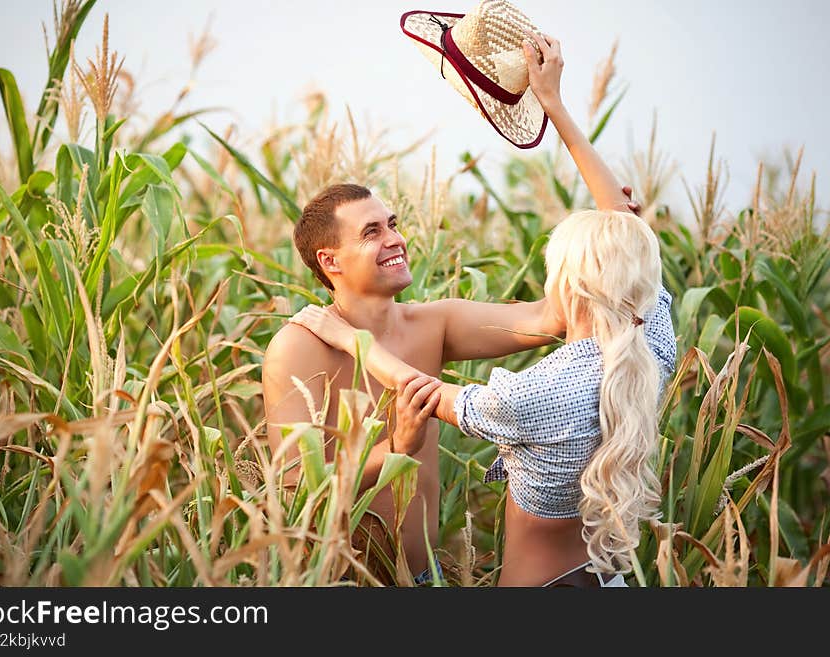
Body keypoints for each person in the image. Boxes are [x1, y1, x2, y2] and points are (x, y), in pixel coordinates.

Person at [288, 31, 676, 587]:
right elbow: (628, 235)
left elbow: (431, 394)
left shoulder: (521, 385)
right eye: (373, 230)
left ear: (569, 286)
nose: (396, 237)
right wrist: (553, 106)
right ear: (329, 260)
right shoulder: (652, 344)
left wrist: (358, 347)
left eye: (393, 223)